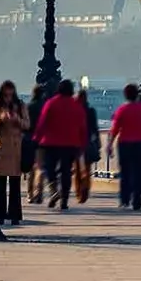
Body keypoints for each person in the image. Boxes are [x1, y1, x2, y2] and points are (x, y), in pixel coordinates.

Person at [33, 79, 88, 210]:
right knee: (66, 172)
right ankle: (64, 199)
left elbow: (42, 122)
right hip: (71, 143)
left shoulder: (51, 103)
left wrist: (37, 137)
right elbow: (83, 127)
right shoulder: (77, 106)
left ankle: (54, 190)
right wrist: (83, 144)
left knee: (49, 169)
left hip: (51, 142)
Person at [0, 81, 29, 225]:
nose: (8, 98)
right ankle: (0, 215)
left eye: (11, 95)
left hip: (15, 149)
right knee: (0, 186)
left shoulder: (20, 105)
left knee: (15, 186)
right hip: (0, 149)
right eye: (6, 95)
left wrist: (17, 120)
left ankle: (15, 215)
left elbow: (27, 124)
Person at [110, 83, 141, 210]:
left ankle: (124, 200)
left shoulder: (122, 110)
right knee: (138, 172)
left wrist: (109, 144)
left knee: (125, 172)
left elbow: (115, 129)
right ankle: (137, 199)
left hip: (125, 143)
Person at [75, 87, 101, 204]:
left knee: (77, 169)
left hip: (75, 142)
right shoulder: (91, 111)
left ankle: (79, 191)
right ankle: (85, 188)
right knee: (87, 168)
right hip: (88, 143)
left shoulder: (74, 110)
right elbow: (95, 129)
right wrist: (98, 142)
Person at [23, 83, 47, 204]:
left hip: (29, 139)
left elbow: (23, 124)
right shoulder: (45, 107)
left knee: (30, 169)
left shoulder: (28, 106)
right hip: (42, 140)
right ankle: (40, 192)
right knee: (40, 167)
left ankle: (30, 194)